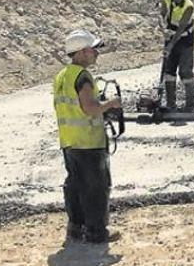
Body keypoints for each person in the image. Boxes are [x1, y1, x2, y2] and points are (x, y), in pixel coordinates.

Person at [54, 30, 122, 243]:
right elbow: (90, 108)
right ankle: (96, 232)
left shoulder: (63, 75)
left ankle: (75, 228)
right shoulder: (83, 77)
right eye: (93, 50)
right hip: (88, 142)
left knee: (75, 184)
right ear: (82, 52)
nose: (96, 54)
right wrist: (111, 103)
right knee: (95, 187)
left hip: (69, 141)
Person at [159, 0, 194, 111]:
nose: (178, 0)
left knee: (185, 71)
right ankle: (170, 104)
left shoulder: (189, 6)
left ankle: (190, 105)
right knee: (169, 71)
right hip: (171, 34)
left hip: (185, 38)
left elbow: (181, 29)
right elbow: (161, 15)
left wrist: (170, 45)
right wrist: (163, 29)